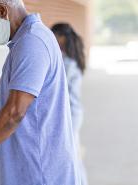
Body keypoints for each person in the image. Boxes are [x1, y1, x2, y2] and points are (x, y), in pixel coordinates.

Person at [0, 0, 81, 184]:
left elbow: (14, 113)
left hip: (40, 174)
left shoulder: (32, 43)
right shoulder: (26, 41)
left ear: (1, 10)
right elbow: (5, 114)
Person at [52, 23, 88, 185]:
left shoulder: (67, 63)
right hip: (74, 112)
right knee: (73, 154)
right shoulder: (72, 58)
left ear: (62, 37)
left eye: (55, 35)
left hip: (71, 114)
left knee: (71, 155)